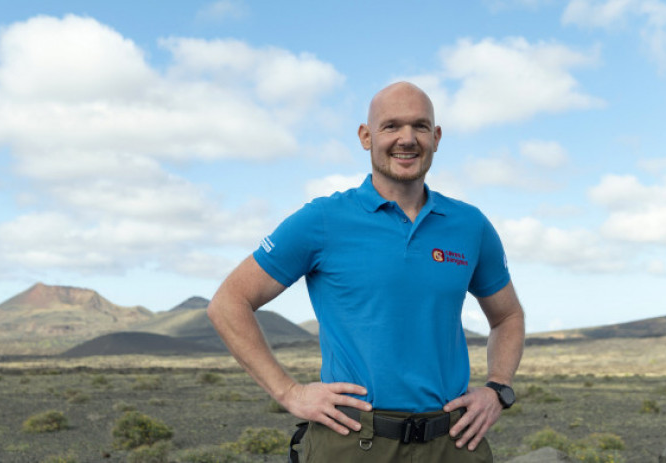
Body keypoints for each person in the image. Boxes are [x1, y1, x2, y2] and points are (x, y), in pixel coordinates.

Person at [207, 81, 525, 462]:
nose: (407, 139)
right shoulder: (323, 220)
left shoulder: (470, 225)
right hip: (353, 442)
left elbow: (507, 315)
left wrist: (498, 388)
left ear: (436, 137)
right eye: (391, 126)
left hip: (452, 443)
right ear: (365, 136)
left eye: (420, 126)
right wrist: (288, 393)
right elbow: (228, 302)